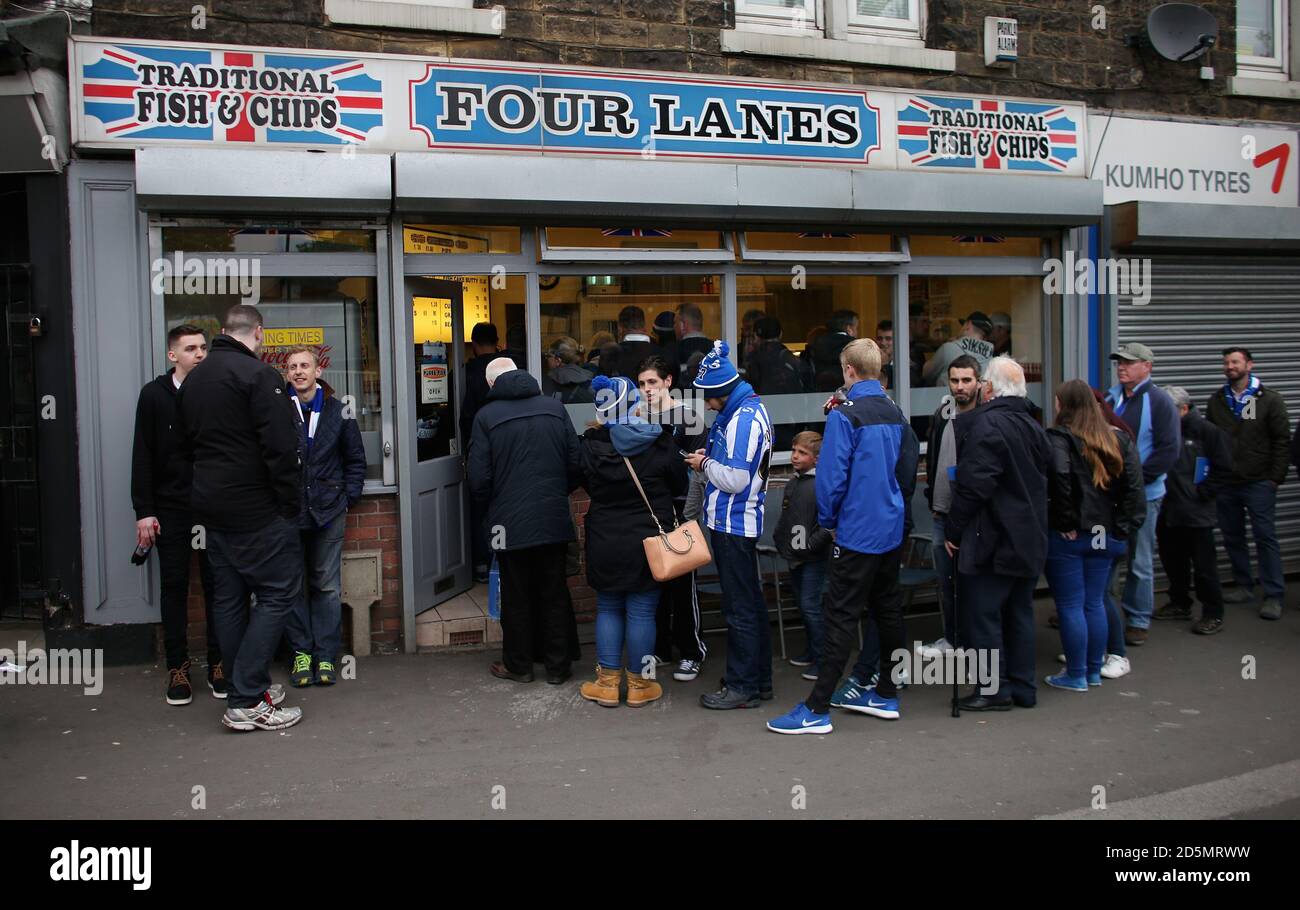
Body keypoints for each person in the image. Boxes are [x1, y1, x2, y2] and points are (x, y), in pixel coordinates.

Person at [767, 338, 917, 734]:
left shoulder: (844, 415)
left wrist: (830, 521)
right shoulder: (895, 411)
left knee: (839, 616)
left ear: (848, 369)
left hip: (856, 530)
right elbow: (905, 470)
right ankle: (886, 693)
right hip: (890, 525)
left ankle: (817, 709)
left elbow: (831, 480)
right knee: (887, 610)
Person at [175, 304, 304, 732]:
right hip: (257, 509)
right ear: (259, 333)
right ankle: (248, 697)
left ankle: (242, 688)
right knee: (277, 595)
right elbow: (280, 448)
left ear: (224, 330)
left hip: (212, 507)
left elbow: (186, 446)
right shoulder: (259, 376)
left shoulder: (195, 379)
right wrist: (289, 504)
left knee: (228, 600)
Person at [943, 356, 1050, 711]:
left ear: (988, 388)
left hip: (994, 535)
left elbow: (975, 486)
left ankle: (993, 689)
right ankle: (1023, 687)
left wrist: (953, 529)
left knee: (984, 615)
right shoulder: (1032, 423)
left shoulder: (987, 424)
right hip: (1027, 532)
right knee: (1019, 613)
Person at [468, 357, 582, 685]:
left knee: (515, 594)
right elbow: (575, 462)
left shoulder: (486, 416)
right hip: (552, 516)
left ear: (492, 384)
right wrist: (557, 494)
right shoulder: (554, 408)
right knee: (555, 591)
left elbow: (479, 479)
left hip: (508, 522)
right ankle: (558, 667)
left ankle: (519, 665)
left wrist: (492, 507)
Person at [578, 375, 687, 707]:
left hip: (605, 538)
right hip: (649, 539)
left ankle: (607, 684)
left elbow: (584, 481)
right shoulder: (660, 441)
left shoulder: (590, 445)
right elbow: (679, 484)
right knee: (642, 611)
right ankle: (640, 685)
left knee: (608, 607)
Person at [132, 324, 225, 706]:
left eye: (203, 347)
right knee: (174, 587)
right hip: (170, 508)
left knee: (218, 586)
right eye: (191, 349)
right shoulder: (154, 396)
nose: (200, 354)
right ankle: (178, 669)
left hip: (211, 506)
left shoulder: (216, 392)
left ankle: (219, 664)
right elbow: (142, 454)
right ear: (173, 355)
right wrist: (144, 511)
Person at [685, 341, 774, 710]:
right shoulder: (748, 409)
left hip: (733, 524)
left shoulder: (742, 421)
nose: (707, 405)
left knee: (739, 609)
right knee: (749, 604)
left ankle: (743, 686)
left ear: (722, 391)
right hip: (738, 523)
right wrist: (711, 456)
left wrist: (704, 465)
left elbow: (736, 479)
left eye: (709, 397)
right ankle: (758, 680)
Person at [1044, 380, 1145, 691]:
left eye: (1058, 400)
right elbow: (1134, 489)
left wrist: (1063, 521)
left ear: (1064, 405)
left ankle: (1076, 674)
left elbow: (1060, 479)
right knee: (1094, 602)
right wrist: (1123, 528)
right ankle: (1092, 671)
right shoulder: (1117, 438)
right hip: (1106, 532)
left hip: (1073, 535)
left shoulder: (1059, 438)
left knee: (1071, 605)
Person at [282, 346, 367, 688]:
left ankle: (326, 656)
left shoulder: (338, 410)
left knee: (326, 585)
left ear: (318, 371)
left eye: (305, 365)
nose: (298, 371)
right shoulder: (277, 410)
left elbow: (355, 459)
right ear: (286, 374)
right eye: (292, 367)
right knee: (292, 587)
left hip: (329, 511)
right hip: (289, 512)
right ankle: (301, 655)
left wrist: (347, 498)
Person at [1205, 347, 1291, 621]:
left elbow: (1282, 440)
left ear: (1249, 365)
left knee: (1265, 537)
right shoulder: (1218, 400)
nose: (1230, 367)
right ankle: (1244, 585)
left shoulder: (1269, 399)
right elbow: (1209, 441)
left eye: (1235, 362)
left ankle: (1274, 594)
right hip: (1227, 482)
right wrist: (1207, 478)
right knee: (1232, 536)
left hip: (1259, 482)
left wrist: (1275, 478)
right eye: (1226, 363)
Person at [1104, 343, 1180, 646]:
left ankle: (1137, 620)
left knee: (1139, 559)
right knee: (1107, 555)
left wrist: (1134, 482)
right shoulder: (1111, 397)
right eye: (1119, 362)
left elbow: (1169, 451)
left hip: (1145, 495)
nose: (1122, 367)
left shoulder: (1159, 402)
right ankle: (1103, 612)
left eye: (1129, 362)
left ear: (1147, 366)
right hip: (1111, 496)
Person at [637, 357, 708, 681]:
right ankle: (661, 648)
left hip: (680, 510)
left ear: (667, 382)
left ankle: (692, 652)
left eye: (652, 382)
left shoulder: (688, 418)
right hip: (650, 510)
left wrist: (688, 518)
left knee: (683, 585)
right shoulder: (638, 417)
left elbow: (698, 471)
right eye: (642, 384)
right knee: (654, 580)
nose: (647, 389)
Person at [917, 353, 982, 660]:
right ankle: (953, 639)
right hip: (942, 513)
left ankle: (975, 644)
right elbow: (934, 459)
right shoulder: (942, 414)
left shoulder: (985, 417)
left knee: (974, 585)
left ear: (979, 382)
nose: (960, 386)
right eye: (954, 380)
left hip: (973, 517)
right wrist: (934, 499)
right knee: (947, 582)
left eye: (966, 380)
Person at [1155, 387, 1233, 634]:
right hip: (1168, 508)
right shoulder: (1163, 430)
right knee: (1173, 560)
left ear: (1184, 409)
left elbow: (1224, 468)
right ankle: (1180, 602)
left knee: (1204, 567)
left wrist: (1202, 493)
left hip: (1197, 511)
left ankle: (1213, 613)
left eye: (1167, 411)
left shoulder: (1207, 432)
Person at [773, 431, 833, 682]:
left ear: (816, 459)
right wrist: (780, 540)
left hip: (813, 558)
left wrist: (810, 546)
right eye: (794, 451)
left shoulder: (822, 485)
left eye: (802, 453)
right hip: (794, 556)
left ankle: (823, 660)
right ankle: (811, 651)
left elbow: (828, 525)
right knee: (802, 605)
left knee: (811, 607)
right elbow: (787, 517)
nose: (795, 456)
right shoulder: (793, 483)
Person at [461, 322, 500, 583]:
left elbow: (464, 417)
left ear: (474, 345)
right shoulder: (510, 369)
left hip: (479, 450)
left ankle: (482, 565)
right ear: (497, 341)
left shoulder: (467, 372)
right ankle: (501, 563)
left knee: (479, 506)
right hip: (507, 450)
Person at [922, 311, 996, 387]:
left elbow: (926, 373)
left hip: (947, 395)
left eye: (962, 325)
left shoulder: (948, 349)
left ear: (968, 325)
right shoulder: (992, 361)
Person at [804, 309, 858, 392]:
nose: (857, 332)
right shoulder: (854, 346)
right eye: (856, 328)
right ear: (849, 328)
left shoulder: (816, 343)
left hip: (819, 394)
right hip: (848, 394)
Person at [607, 305, 660, 379]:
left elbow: (601, 384)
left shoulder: (610, 355)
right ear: (644, 325)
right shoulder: (660, 353)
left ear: (620, 328)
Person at [542, 336, 596, 404]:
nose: (546, 359)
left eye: (548, 356)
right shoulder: (588, 379)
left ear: (558, 360)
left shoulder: (550, 382)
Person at [671, 303, 712, 387]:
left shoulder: (672, 352)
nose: (673, 327)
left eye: (675, 323)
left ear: (683, 325)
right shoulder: (718, 350)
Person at [875, 320, 895, 389]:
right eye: (879, 338)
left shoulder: (904, 365)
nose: (883, 343)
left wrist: (885, 366)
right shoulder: (869, 363)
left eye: (888, 339)